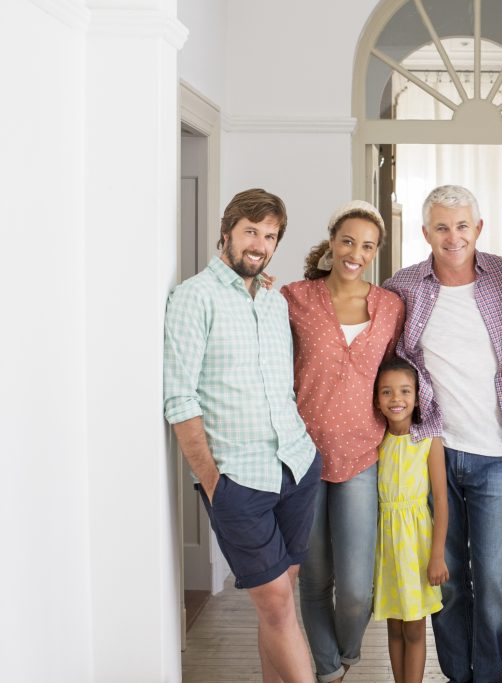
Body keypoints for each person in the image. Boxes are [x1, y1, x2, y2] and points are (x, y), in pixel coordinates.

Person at [163, 188, 319, 683]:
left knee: (278, 604)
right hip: (238, 480)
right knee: (275, 603)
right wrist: (212, 482)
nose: (259, 244)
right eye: (251, 231)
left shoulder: (273, 303)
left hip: (295, 465)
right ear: (227, 231)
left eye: (270, 236)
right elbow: (180, 401)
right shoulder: (193, 297)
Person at [383, 185, 502, 683]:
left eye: (462, 225)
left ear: (479, 229)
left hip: (496, 456)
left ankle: (488, 676)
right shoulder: (404, 285)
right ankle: (456, 677)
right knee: (446, 580)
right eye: (442, 227)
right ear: (426, 233)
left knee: (492, 579)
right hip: (433, 452)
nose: (453, 236)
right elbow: (365, 319)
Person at [280, 200, 405, 683]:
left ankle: (346, 654)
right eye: (348, 241)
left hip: (360, 457)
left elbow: (396, 373)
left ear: (376, 253)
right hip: (301, 457)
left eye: (368, 246)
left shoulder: (389, 306)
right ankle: (330, 671)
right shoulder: (294, 297)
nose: (356, 253)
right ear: (332, 241)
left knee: (356, 588)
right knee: (314, 582)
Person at [372, 357, 449, 683]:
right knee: (394, 625)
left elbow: (442, 502)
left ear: (418, 397)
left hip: (417, 547)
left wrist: (437, 556)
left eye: (404, 391)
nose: (396, 399)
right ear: (377, 398)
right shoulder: (375, 444)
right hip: (386, 548)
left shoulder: (428, 443)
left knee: (415, 628)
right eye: (386, 392)